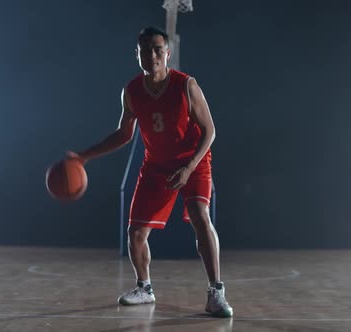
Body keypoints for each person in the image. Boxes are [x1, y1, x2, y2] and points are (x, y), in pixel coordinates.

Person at [67, 26, 233, 318]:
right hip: (156, 165)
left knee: (199, 215)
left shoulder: (185, 85)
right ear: (137, 55)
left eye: (158, 49)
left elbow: (210, 131)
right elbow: (123, 134)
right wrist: (84, 156)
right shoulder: (131, 91)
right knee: (135, 232)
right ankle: (144, 288)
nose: (152, 55)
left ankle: (215, 292)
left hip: (192, 161)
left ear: (168, 53)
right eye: (145, 49)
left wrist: (189, 167)